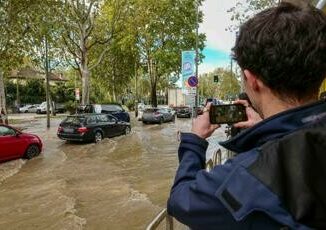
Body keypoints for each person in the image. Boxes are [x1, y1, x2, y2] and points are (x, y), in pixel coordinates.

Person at [167, 2, 326, 229]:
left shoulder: (246, 176)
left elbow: (182, 200)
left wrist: (194, 142)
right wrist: (267, 130)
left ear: (252, 80)